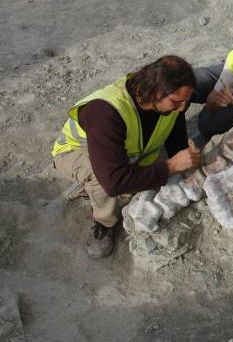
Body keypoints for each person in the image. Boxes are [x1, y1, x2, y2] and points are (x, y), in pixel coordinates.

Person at [52, 55, 201, 259]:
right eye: (177, 102)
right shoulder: (106, 112)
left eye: (185, 101)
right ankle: (104, 224)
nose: (182, 107)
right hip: (76, 151)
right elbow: (114, 182)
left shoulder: (170, 103)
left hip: (129, 152)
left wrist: (186, 161)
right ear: (157, 90)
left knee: (152, 170)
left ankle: (120, 180)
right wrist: (171, 166)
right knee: (103, 180)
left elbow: (176, 140)